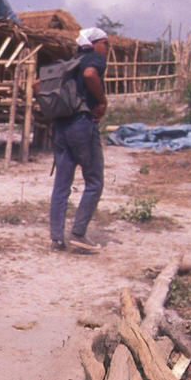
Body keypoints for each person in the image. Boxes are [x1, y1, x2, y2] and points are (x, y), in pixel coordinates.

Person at [48, 26, 110, 254]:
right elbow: (90, 75)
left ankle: (56, 238)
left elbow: (39, 85)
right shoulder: (94, 60)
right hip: (82, 125)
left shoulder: (71, 62)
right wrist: (102, 101)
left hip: (61, 126)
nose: (107, 49)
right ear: (94, 44)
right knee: (94, 181)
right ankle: (78, 234)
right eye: (106, 43)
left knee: (61, 185)